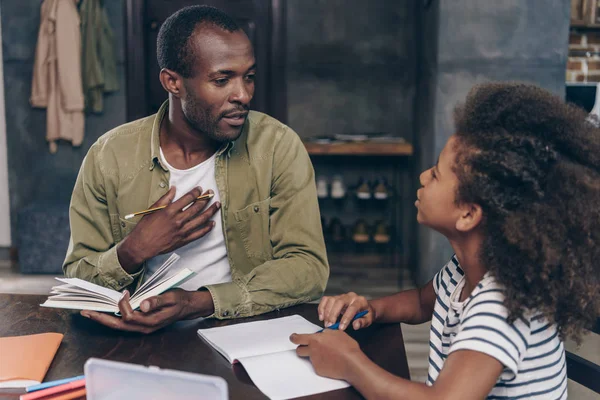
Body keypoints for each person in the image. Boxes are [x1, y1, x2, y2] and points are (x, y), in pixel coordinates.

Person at [291, 82, 600, 399]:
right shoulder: (468, 269)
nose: (424, 176)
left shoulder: (502, 303)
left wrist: (350, 363)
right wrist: (372, 309)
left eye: (437, 174)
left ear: (468, 214)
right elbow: (422, 302)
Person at [63, 5, 328, 333]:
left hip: (246, 332)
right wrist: (132, 251)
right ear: (173, 82)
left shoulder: (277, 147)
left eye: (249, 77)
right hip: (140, 339)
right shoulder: (110, 156)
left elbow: (308, 269)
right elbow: (76, 282)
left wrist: (198, 302)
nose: (243, 95)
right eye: (222, 80)